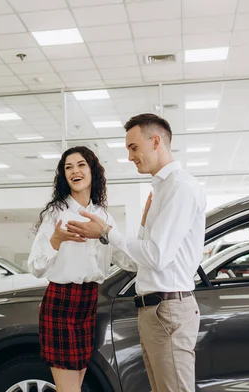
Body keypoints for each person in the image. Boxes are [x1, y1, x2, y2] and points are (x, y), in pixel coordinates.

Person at [67, 113, 207, 392]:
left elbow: (156, 255)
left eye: (133, 147)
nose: (130, 157)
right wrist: (103, 239)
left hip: (168, 310)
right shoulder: (162, 189)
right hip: (154, 311)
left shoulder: (179, 187)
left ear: (155, 141)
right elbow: (140, 261)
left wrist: (107, 231)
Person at [28, 146, 135, 392]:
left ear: (92, 170)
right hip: (60, 302)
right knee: (69, 390)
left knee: (77, 386)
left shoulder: (103, 216)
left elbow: (126, 260)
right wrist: (56, 240)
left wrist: (144, 238)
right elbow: (35, 266)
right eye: (68, 167)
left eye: (80, 165)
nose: (75, 171)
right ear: (64, 176)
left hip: (88, 303)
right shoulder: (56, 213)